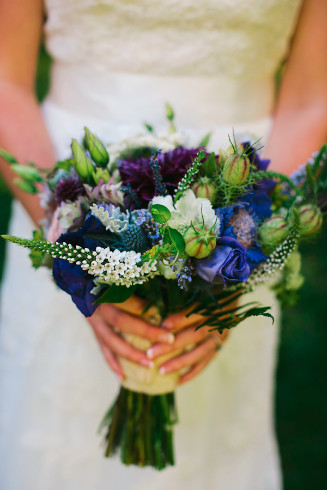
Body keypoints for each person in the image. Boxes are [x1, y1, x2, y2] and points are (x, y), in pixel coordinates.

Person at [0, 0, 326, 489]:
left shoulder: (242, 235)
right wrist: (74, 248)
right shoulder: (68, 219)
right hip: (67, 193)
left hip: (241, 205)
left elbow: (311, 99)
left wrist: (241, 254)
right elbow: (5, 82)